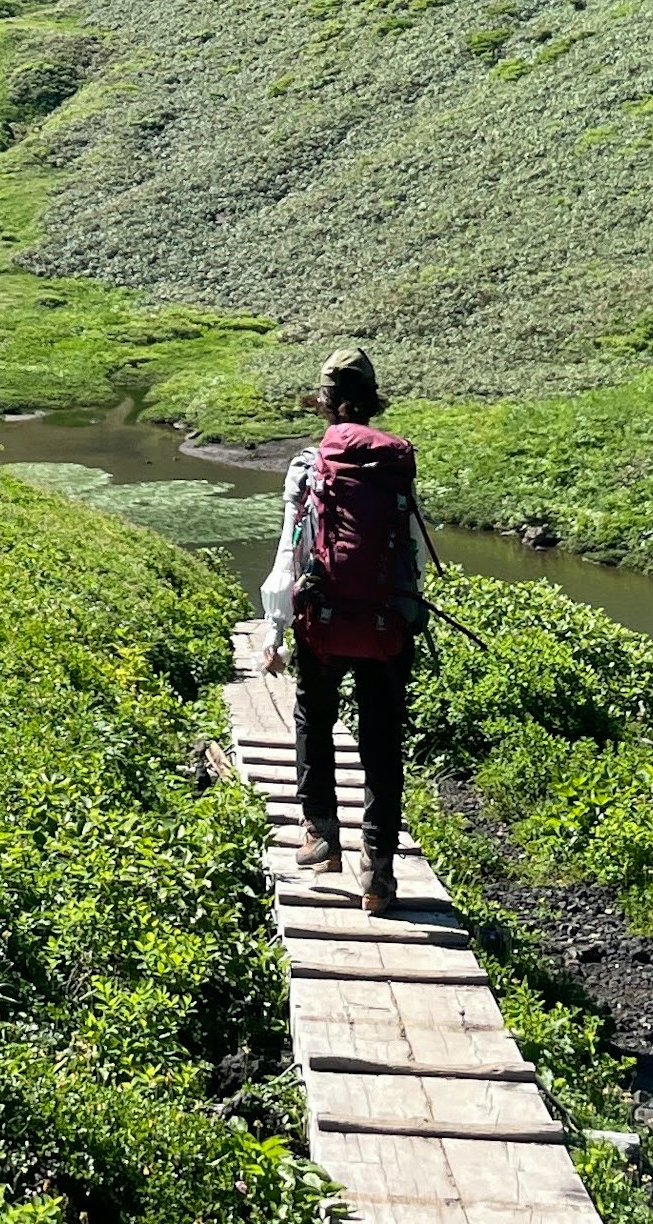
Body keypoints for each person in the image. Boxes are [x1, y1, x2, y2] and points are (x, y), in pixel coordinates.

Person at [260, 345, 424, 915]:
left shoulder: (308, 464)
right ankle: (378, 876)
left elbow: (289, 551)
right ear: (373, 404)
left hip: (323, 619)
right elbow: (410, 556)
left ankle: (322, 835)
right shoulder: (395, 464)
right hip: (384, 623)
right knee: (382, 741)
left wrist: (274, 628)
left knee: (313, 714)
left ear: (325, 404)